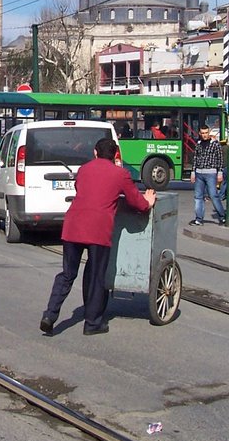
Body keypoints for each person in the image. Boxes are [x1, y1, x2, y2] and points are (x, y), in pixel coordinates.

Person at [40, 138, 156, 336]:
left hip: (73, 226)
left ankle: (50, 315)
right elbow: (136, 202)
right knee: (96, 276)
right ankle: (92, 323)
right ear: (115, 155)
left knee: (67, 274)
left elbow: (80, 189)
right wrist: (148, 201)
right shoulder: (121, 174)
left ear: (95, 152)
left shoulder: (84, 169)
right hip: (98, 230)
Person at [190, 125, 225, 225]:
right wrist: (193, 172)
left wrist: (220, 172)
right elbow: (195, 158)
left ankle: (222, 216)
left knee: (213, 195)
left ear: (209, 133)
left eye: (206, 133)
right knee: (198, 197)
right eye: (203, 133)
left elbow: (220, 158)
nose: (205, 135)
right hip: (199, 173)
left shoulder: (215, 144)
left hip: (211, 173)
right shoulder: (198, 144)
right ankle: (199, 219)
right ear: (200, 133)